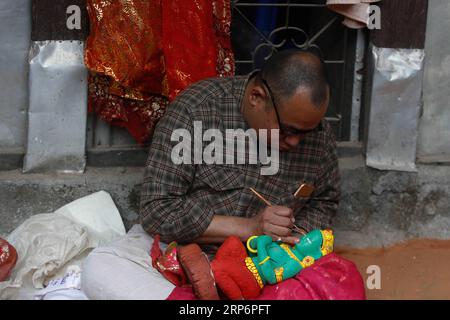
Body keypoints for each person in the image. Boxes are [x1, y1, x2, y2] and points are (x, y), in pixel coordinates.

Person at [81, 50, 340, 300]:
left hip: (265, 264)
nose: (296, 142)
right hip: (178, 251)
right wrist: (251, 227)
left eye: (306, 133)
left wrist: (294, 238)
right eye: (287, 130)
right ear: (256, 97)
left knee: (340, 281)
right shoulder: (198, 109)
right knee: (101, 268)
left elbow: (324, 201)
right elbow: (157, 211)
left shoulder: (316, 134)